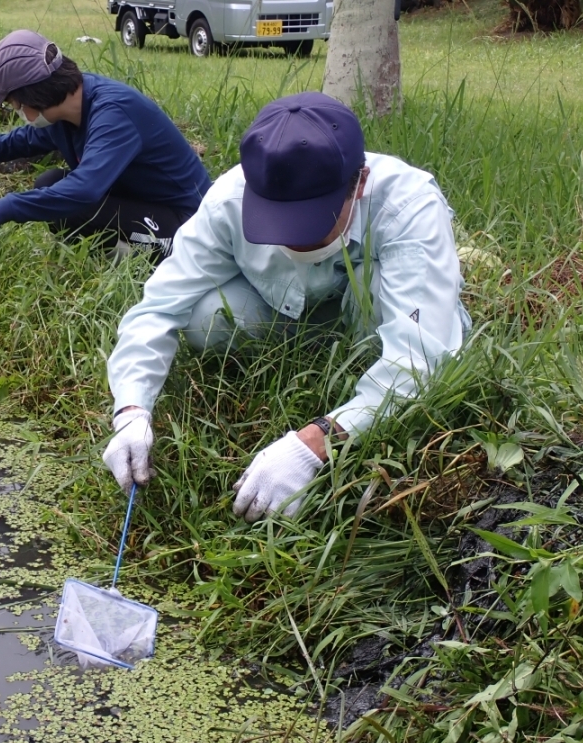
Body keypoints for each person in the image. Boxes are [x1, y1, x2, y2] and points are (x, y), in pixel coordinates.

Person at [102, 92, 471, 522]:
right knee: (206, 319)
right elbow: (159, 307)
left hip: (375, 320)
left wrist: (316, 441)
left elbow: (420, 357)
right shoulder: (228, 200)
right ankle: (316, 362)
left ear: (361, 182)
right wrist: (131, 408)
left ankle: (361, 372)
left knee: (390, 324)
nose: (293, 241)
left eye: (313, 220)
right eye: (277, 220)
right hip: (290, 318)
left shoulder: (407, 205)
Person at [0, 30, 212, 261]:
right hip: (139, 202)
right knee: (49, 182)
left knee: (76, 202)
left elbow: (85, 189)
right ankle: (116, 253)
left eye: (14, 106)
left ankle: (149, 258)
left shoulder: (113, 114)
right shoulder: (69, 107)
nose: (16, 113)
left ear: (33, 97)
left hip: (186, 223)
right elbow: (27, 140)